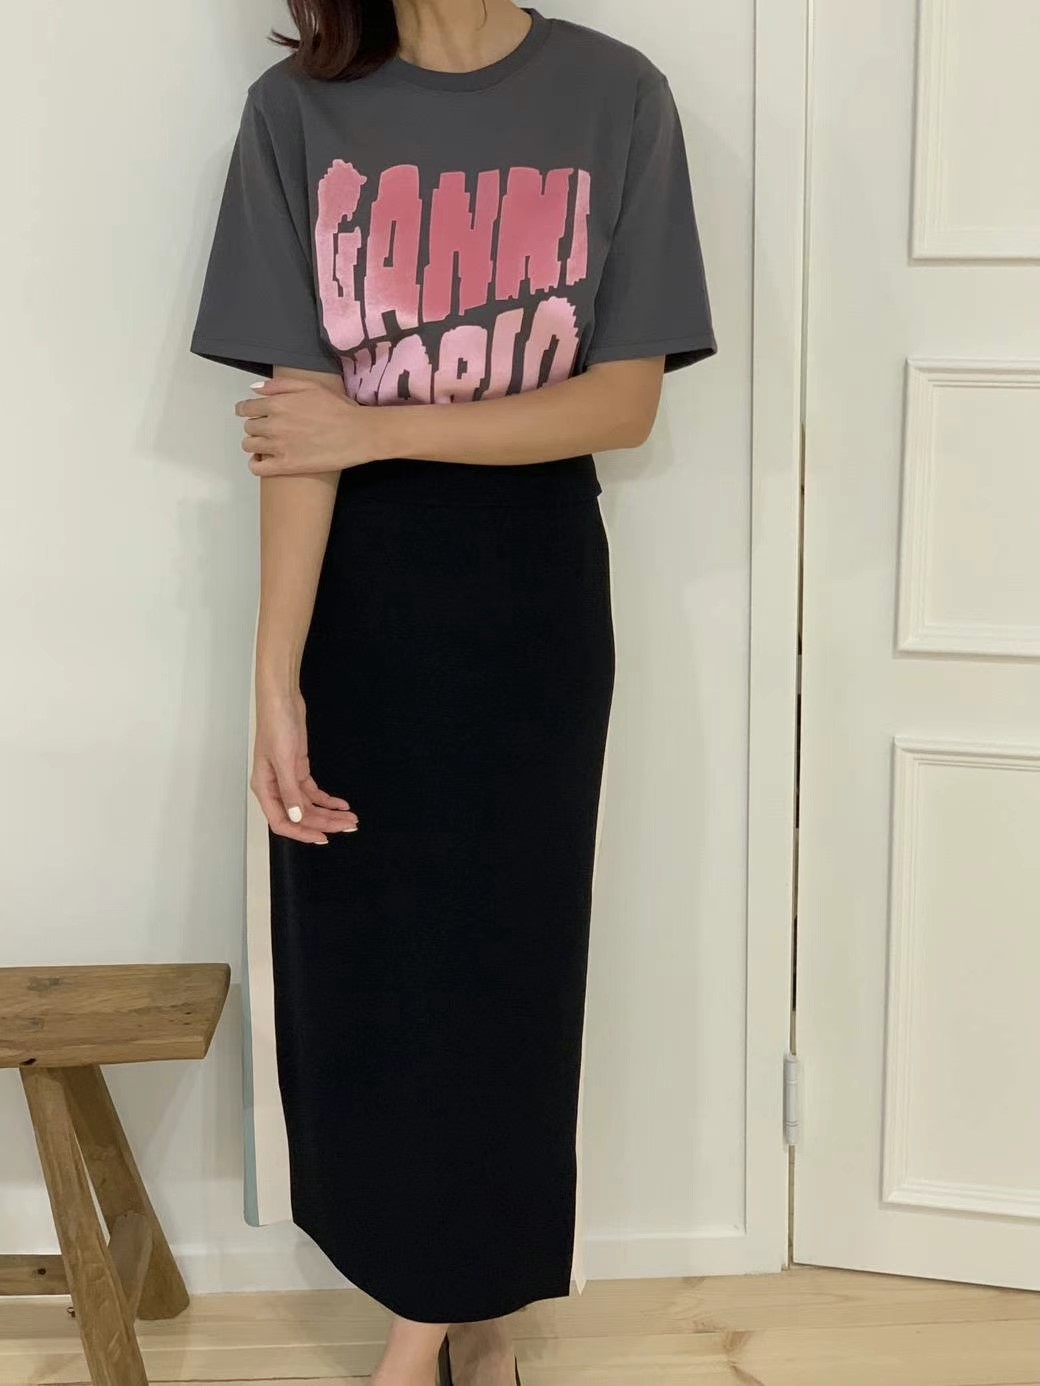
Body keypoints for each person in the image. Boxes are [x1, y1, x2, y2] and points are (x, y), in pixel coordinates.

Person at [189, 2, 716, 1383]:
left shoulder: (615, 95)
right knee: (367, 965)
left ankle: (422, 1338)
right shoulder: (301, 112)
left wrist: (376, 425)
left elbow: (621, 404)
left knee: (506, 962)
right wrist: (275, 680)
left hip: (531, 583)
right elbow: (297, 430)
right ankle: (452, 1298)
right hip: (359, 588)